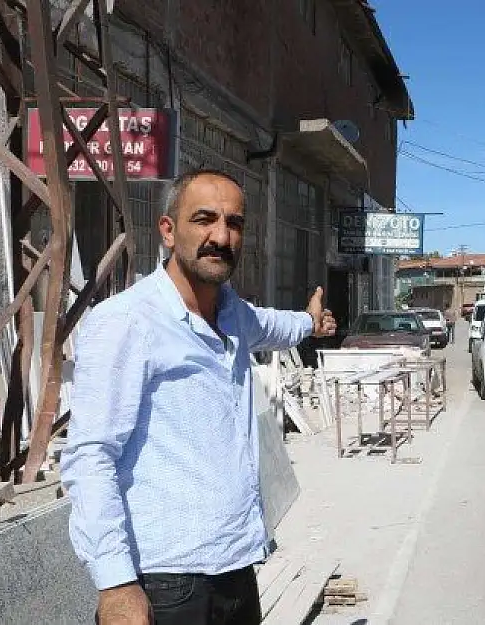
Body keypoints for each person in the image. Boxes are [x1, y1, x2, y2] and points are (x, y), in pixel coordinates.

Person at [60, 169, 337, 625]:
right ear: (168, 231)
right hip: (166, 585)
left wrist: (310, 323)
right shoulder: (127, 322)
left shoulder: (233, 314)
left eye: (234, 223)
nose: (221, 236)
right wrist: (116, 584)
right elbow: (91, 456)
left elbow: (273, 326)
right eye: (204, 219)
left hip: (236, 568)